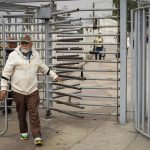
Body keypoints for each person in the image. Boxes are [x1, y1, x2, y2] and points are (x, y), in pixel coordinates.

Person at [0, 34, 63, 146]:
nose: (24, 45)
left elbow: (43, 67)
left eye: (26, 43)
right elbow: (6, 73)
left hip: (32, 89)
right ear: (20, 43)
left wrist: (54, 76)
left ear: (31, 44)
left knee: (34, 112)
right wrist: (3, 89)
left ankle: (37, 135)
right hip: (18, 90)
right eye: (22, 43)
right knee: (21, 112)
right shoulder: (13, 56)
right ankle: (23, 131)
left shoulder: (36, 55)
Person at [1, 37, 18, 114]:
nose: (10, 45)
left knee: (13, 91)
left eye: (12, 43)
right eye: (9, 43)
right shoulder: (7, 50)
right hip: (8, 74)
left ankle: (9, 107)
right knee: (7, 90)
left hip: (16, 75)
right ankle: (7, 108)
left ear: (16, 44)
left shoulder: (18, 51)